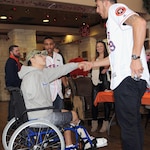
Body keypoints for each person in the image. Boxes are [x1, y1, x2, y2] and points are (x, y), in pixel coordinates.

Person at [82, 0, 150, 150]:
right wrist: (92, 64)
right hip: (131, 79)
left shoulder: (114, 10)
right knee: (132, 124)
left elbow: (140, 22)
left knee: (128, 127)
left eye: (98, 6)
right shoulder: (114, 24)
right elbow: (114, 57)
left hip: (127, 79)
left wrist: (135, 58)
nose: (97, 10)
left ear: (105, 2)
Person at [18, 50, 108, 149]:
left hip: (39, 112)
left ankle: (71, 144)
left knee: (67, 113)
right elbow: (34, 98)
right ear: (32, 59)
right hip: (42, 116)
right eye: (40, 56)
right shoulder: (32, 76)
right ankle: (87, 140)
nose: (44, 57)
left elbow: (61, 70)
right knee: (73, 115)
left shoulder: (39, 73)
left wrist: (78, 64)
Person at [91, 40, 112, 132]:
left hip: (106, 81)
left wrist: (106, 68)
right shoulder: (95, 58)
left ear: (104, 47)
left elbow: (110, 67)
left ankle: (105, 123)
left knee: (107, 103)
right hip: (96, 82)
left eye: (101, 46)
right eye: (97, 46)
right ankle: (94, 122)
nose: (99, 48)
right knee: (94, 102)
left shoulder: (109, 58)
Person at [43, 36, 68, 110]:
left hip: (58, 91)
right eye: (46, 44)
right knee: (49, 115)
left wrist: (66, 86)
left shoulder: (59, 56)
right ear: (44, 46)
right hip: (47, 92)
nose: (49, 46)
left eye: (50, 44)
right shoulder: (42, 57)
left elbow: (62, 72)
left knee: (60, 113)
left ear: (54, 45)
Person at [5, 45, 22, 121]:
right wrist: (19, 84)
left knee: (15, 103)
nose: (18, 52)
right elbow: (12, 76)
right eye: (16, 51)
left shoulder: (16, 61)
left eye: (18, 50)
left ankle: (12, 120)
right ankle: (12, 120)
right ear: (11, 52)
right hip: (14, 86)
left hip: (15, 85)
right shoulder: (10, 62)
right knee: (14, 104)